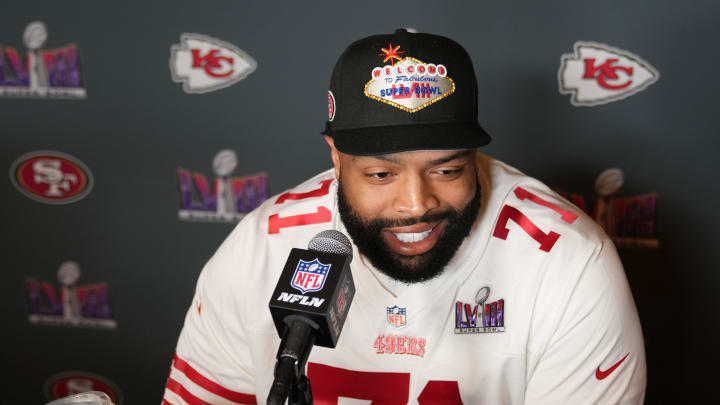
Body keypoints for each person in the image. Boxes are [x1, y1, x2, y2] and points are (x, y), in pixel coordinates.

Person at [163, 29, 646, 404]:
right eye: (380, 174)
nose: (416, 204)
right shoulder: (258, 248)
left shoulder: (568, 261)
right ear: (335, 156)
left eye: (448, 168)